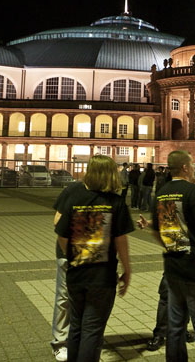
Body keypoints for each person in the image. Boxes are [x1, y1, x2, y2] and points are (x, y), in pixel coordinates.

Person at [138, 150, 195, 362]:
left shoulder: (161, 193)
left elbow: (156, 230)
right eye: (192, 165)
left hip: (173, 270)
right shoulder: (193, 192)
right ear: (185, 168)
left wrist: (171, 246)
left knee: (175, 327)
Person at [55, 155, 134, 362]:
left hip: (77, 273)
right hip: (102, 275)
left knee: (77, 326)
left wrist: (73, 256)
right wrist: (127, 269)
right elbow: (120, 240)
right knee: (93, 329)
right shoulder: (115, 202)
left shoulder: (75, 198)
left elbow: (62, 235)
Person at [50, 178, 87, 361]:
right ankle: (59, 342)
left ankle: (78, 338)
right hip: (68, 253)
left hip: (91, 257)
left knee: (85, 298)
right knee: (64, 298)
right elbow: (57, 220)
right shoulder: (74, 190)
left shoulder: (105, 192)